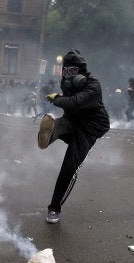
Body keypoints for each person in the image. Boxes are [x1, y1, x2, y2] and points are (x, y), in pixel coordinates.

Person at [38, 49, 110, 223]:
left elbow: (75, 102)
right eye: (65, 71)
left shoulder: (93, 85)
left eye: (73, 72)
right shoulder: (67, 84)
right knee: (59, 124)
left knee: (69, 167)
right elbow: (69, 106)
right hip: (72, 122)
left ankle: (54, 208)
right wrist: (49, 92)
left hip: (89, 130)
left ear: (81, 72)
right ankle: (49, 135)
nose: (68, 76)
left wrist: (56, 99)